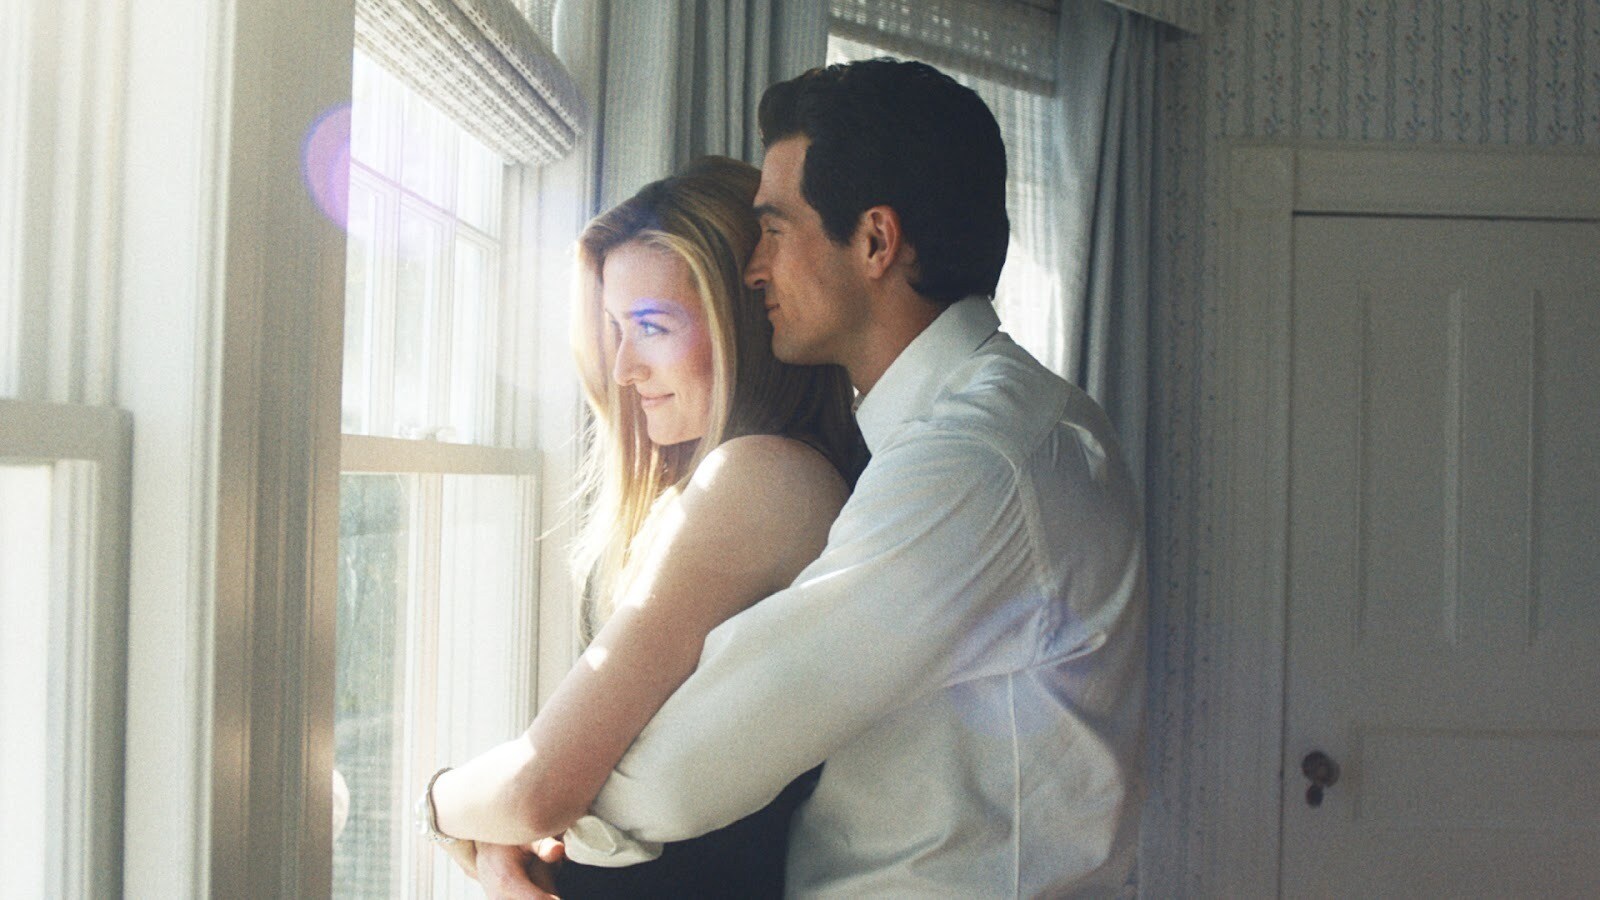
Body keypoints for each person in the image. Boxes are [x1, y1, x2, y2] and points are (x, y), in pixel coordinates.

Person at [498, 58, 1148, 897]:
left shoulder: (971, 463)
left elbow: (685, 773)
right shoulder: (996, 427)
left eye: (774, 229)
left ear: (875, 241)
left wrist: (521, 807)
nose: (755, 267)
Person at [419, 155, 866, 897]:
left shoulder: (763, 477)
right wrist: (506, 834)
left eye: (653, 327)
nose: (623, 368)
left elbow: (537, 788)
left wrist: (436, 804)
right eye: (616, 330)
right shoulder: (746, 479)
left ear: (744, 325)